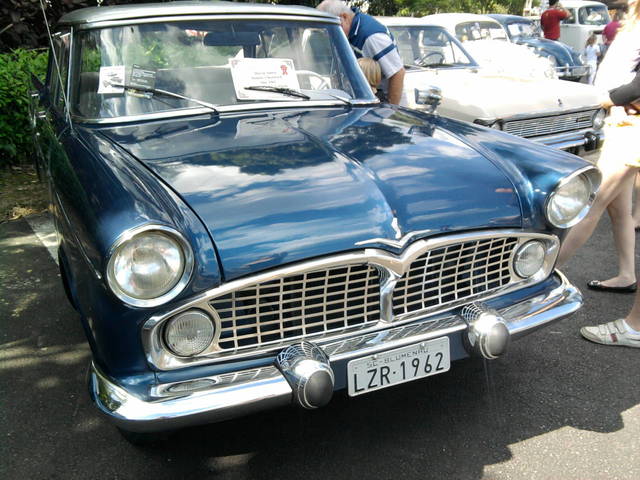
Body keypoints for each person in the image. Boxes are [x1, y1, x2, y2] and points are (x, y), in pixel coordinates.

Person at [556, 0, 640, 347]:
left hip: (629, 122)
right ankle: (626, 273)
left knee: (591, 201)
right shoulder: (630, 23)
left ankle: (538, 275)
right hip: (624, 119)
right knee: (617, 206)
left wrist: (607, 99)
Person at [316, 0, 405, 104]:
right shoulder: (349, 32)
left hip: (384, 101)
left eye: (329, 28)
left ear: (344, 17)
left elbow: (398, 73)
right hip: (366, 99)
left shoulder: (371, 36)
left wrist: (391, 110)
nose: (327, 34)